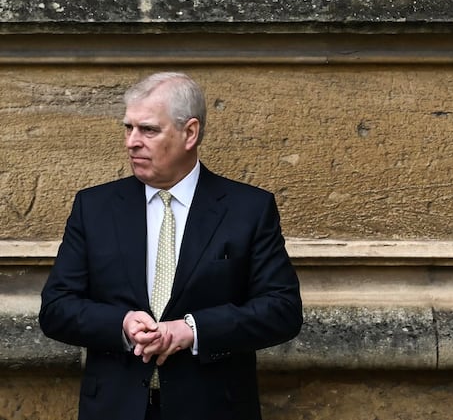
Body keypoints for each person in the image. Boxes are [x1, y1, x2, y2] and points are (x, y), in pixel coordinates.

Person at [39, 72, 303, 420]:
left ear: (189, 133)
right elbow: (56, 308)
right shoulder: (94, 207)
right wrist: (122, 323)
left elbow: (282, 311)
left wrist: (191, 330)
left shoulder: (247, 210)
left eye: (148, 130)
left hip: (213, 409)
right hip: (115, 409)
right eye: (128, 128)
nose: (131, 142)